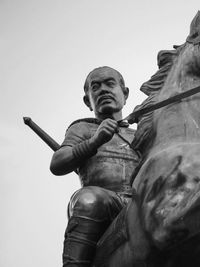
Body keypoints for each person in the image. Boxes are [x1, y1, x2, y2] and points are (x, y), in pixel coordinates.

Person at [50, 66, 141, 266]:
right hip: (105, 203)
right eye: (96, 87)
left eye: (110, 84)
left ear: (125, 94)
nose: (103, 90)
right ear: (87, 101)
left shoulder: (142, 132)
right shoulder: (83, 128)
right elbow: (58, 163)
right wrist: (94, 141)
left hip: (142, 204)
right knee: (88, 199)